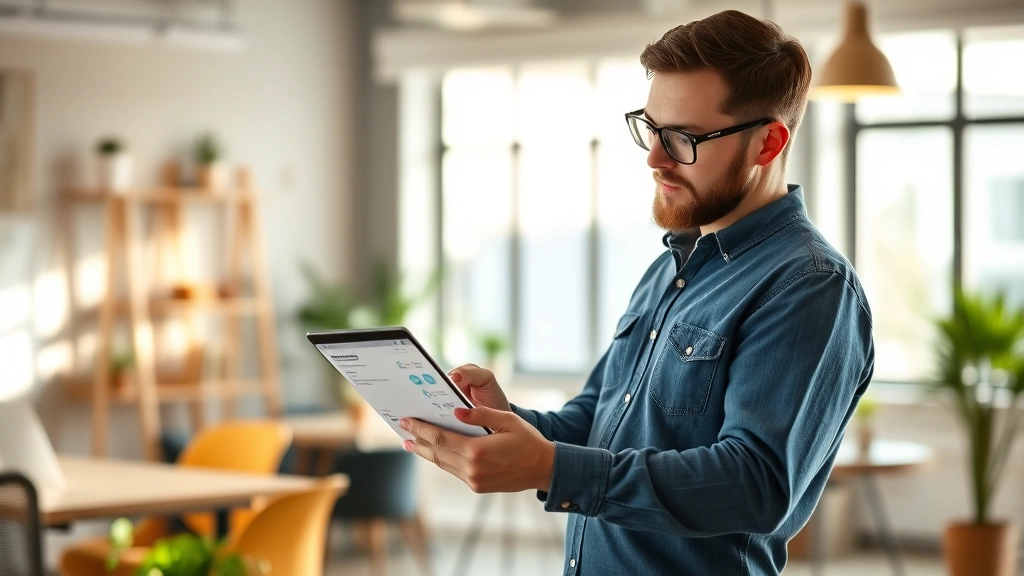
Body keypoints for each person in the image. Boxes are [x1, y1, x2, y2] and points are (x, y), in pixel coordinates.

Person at [399, 9, 874, 575]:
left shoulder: (809, 284)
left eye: (683, 138)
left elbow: (756, 484)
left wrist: (551, 468)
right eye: (651, 129)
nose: (654, 157)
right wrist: (508, 422)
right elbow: (599, 423)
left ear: (768, 143)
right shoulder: (670, 265)